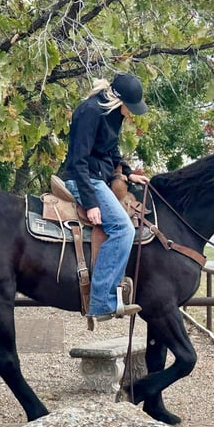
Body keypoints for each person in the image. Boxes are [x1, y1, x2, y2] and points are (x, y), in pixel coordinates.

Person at [61, 73, 150, 322]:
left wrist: (129, 174)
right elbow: (78, 160)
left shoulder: (111, 114)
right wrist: (90, 202)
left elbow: (110, 151)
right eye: (130, 108)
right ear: (118, 101)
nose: (131, 113)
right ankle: (101, 301)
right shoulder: (90, 112)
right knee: (123, 229)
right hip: (84, 180)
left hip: (97, 177)